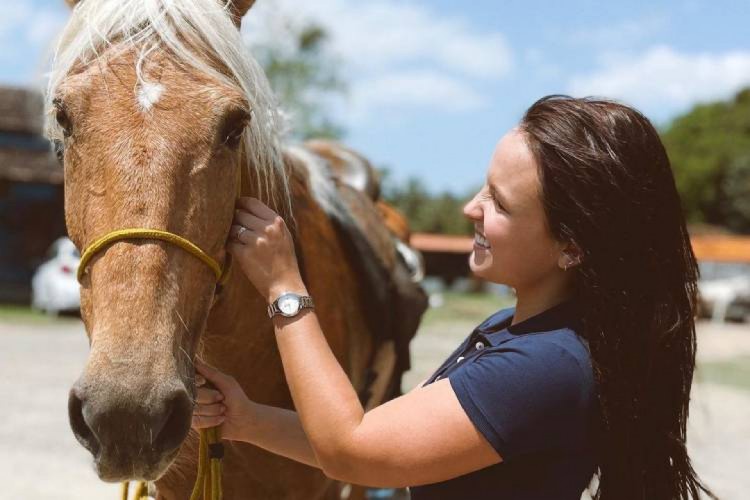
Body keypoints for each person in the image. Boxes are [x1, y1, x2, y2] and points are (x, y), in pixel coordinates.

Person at [192, 95, 714, 499]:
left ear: (572, 247)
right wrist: (247, 418)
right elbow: (383, 440)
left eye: (500, 205)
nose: (471, 208)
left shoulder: (542, 366)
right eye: (483, 187)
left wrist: (284, 286)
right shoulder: (512, 329)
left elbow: (351, 452)